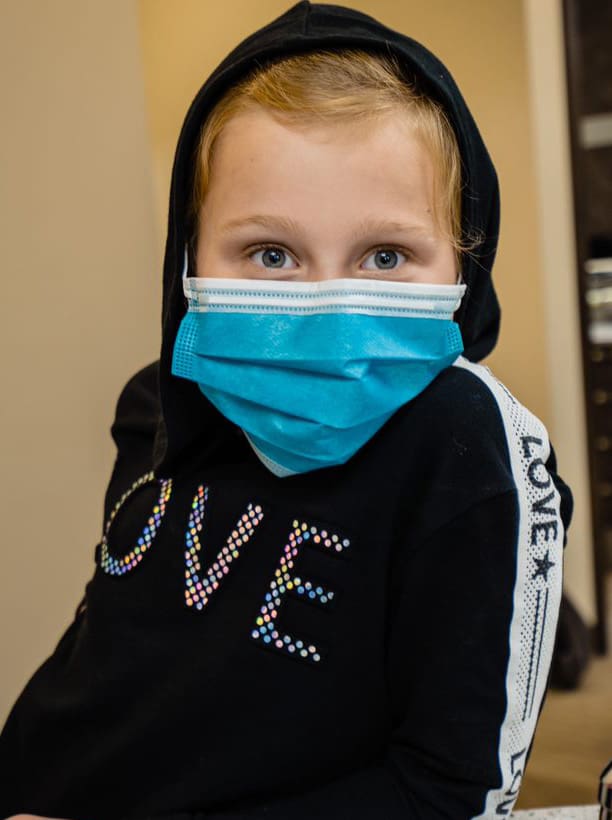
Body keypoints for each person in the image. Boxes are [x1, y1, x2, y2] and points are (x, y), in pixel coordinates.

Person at [0, 2, 573, 819]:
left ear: (464, 263)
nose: (326, 306)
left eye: (385, 256)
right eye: (271, 253)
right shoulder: (159, 401)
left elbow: (450, 789)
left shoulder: (467, 449)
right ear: (189, 253)